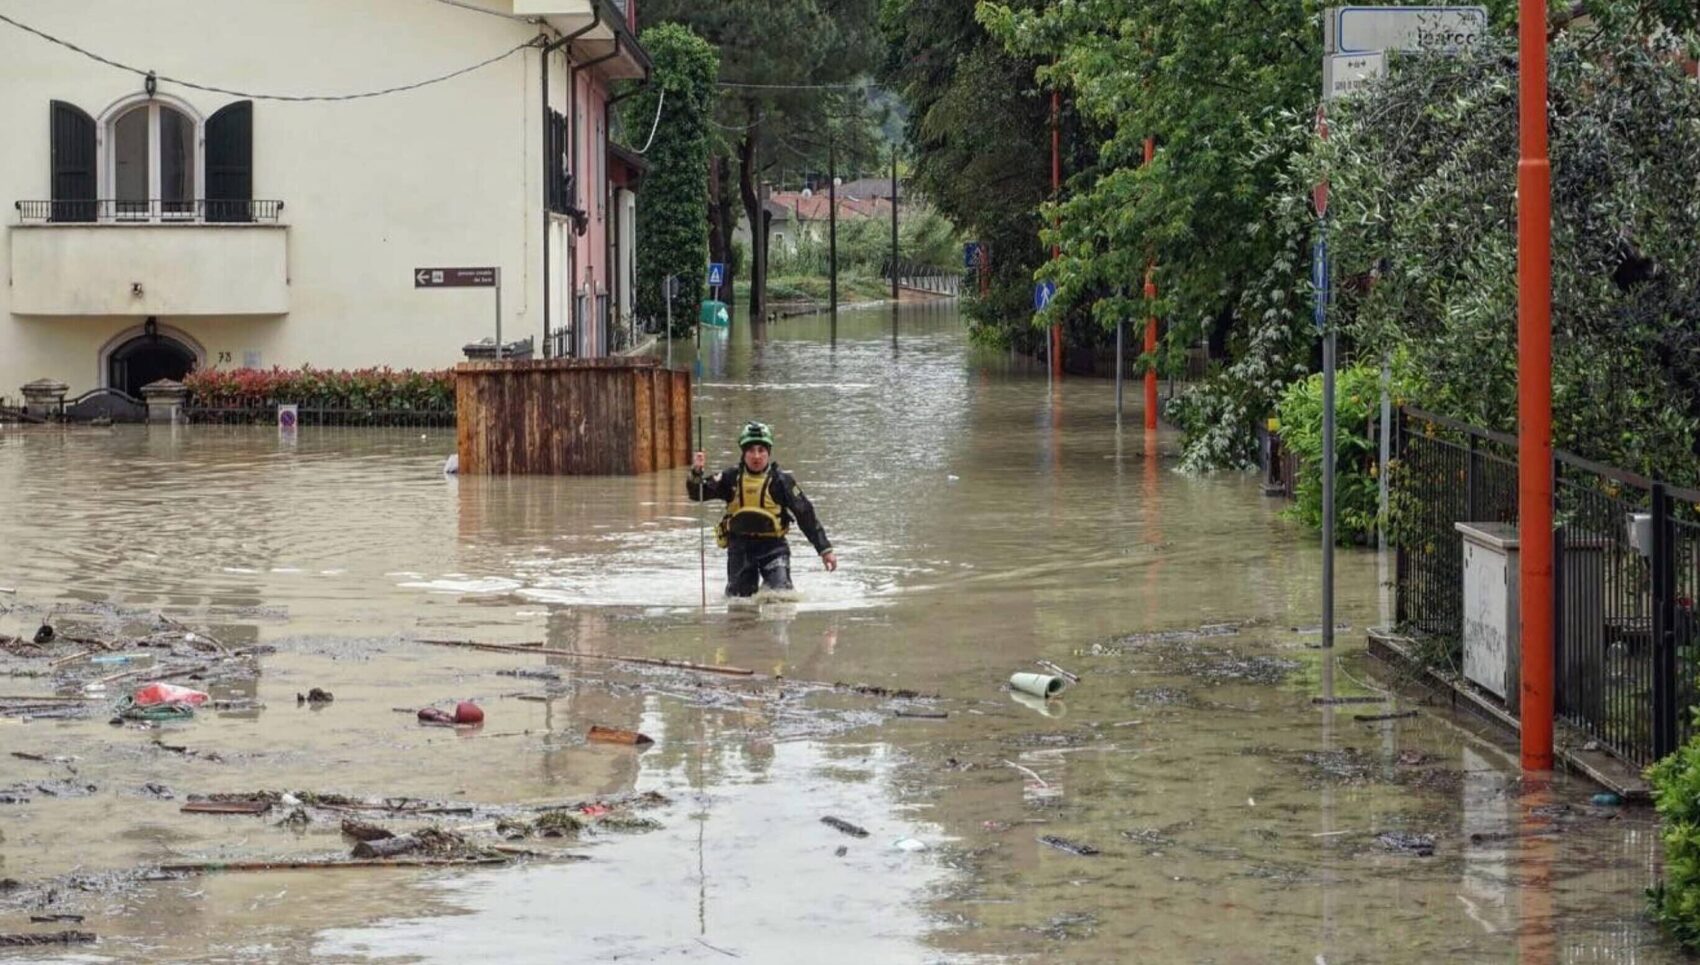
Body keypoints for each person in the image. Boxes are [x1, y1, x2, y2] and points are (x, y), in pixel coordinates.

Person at [688, 420, 837, 599]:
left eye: (761, 450)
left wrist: (825, 550)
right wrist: (696, 472)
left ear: (768, 452)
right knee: (738, 603)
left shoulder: (782, 482)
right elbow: (698, 493)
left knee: (781, 598)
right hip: (740, 547)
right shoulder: (730, 478)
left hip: (773, 547)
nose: (756, 456)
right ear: (744, 453)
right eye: (751, 450)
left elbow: (805, 515)